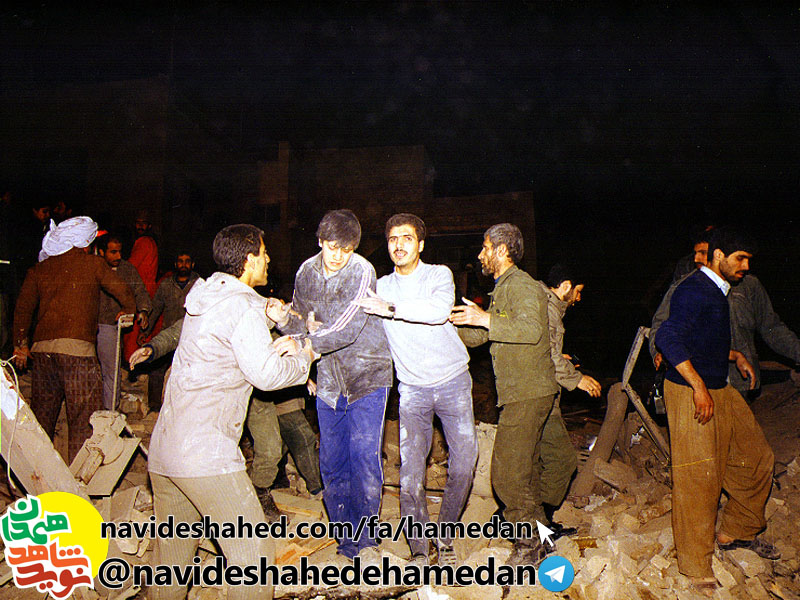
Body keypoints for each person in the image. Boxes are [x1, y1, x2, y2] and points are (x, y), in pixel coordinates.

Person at [147, 224, 316, 600]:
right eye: (264, 253)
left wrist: (269, 317)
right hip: (205, 457)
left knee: (171, 564)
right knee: (253, 555)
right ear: (249, 259)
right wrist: (304, 359)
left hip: (165, 453)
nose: (269, 259)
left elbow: (227, 335)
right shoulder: (242, 307)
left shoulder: (205, 296)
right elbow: (266, 376)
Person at [654, 226, 777, 594]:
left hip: (718, 386)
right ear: (719, 255)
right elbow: (667, 336)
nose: (745, 267)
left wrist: (734, 355)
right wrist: (697, 387)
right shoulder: (693, 289)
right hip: (690, 391)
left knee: (757, 457)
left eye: (748, 260)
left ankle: (735, 530)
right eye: (740, 259)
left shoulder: (719, 291)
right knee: (699, 479)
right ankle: (694, 566)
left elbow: (701, 341)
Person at [354, 213, 477, 567]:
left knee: (464, 465)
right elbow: (352, 317)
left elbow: (438, 311)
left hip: (453, 381)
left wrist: (389, 308)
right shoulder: (379, 286)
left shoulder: (438, 275)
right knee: (409, 476)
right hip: (412, 390)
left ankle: (445, 535)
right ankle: (420, 550)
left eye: (407, 238)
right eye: (392, 239)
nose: (398, 245)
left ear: (420, 244)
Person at [274, 209, 393, 563]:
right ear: (320, 241)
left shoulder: (362, 270)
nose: (339, 255)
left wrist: (306, 342)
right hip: (328, 381)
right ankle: (345, 541)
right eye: (332, 247)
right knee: (331, 461)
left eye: (347, 248)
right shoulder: (306, 272)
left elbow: (347, 327)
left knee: (364, 458)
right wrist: (284, 321)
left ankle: (367, 542)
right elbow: (299, 318)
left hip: (367, 375)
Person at [450, 223, 559, 566]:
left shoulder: (522, 285)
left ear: (501, 250)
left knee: (507, 477)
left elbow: (530, 330)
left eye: (485, 247)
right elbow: (483, 335)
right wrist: (448, 325)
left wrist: (484, 318)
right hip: (525, 392)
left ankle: (528, 546)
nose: (480, 254)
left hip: (527, 392)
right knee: (525, 474)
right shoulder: (504, 288)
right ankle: (544, 541)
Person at [12, 216, 136, 461]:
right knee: (83, 420)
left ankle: (37, 470)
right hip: (79, 354)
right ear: (84, 243)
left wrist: (20, 345)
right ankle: (78, 476)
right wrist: (128, 309)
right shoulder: (93, 264)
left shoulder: (40, 269)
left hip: (43, 353)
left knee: (42, 417)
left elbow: (23, 309)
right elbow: (123, 290)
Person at [650, 231, 800, 398]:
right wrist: (662, 354)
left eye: (704, 253)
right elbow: (662, 329)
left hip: (739, 382)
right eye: (696, 253)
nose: (697, 259)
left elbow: (772, 328)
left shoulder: (749, 286)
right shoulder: (686, 287)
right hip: (697, 383)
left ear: (718, 253)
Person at [541, 263, 601, 531]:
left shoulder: (551, 307)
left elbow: (546, 350)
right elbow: (548, 356)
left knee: (542, 460)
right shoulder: (548, 309)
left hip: (542, 393)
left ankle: (533, 520)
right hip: (538, 396)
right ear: (565, 286)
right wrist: (577, 379)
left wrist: (560, 358)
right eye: (578, 291)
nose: (579, 298)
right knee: (563, 461)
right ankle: (539, 522)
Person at [96, 233, 151, 410]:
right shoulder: (93, 267)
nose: (118, 256)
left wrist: (143, 311)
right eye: (113, 252)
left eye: (120, 252)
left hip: (111, 327)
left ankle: (110, 410)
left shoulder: (127, 269)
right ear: (101, 252)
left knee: (112, 371)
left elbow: (140, 292)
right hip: (89, 326)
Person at [140, 250, 200, 410]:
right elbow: (155, 309)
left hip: (190, 337)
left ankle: (183, 409)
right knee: (156, 370)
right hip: (168, 336)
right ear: (175, 264)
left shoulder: (200, 285)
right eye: (180, 261)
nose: (183, 265)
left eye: (187, 261)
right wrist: (145, 332)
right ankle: (154, 408)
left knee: (189, 374)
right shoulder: (166, 285)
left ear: (192, 264)